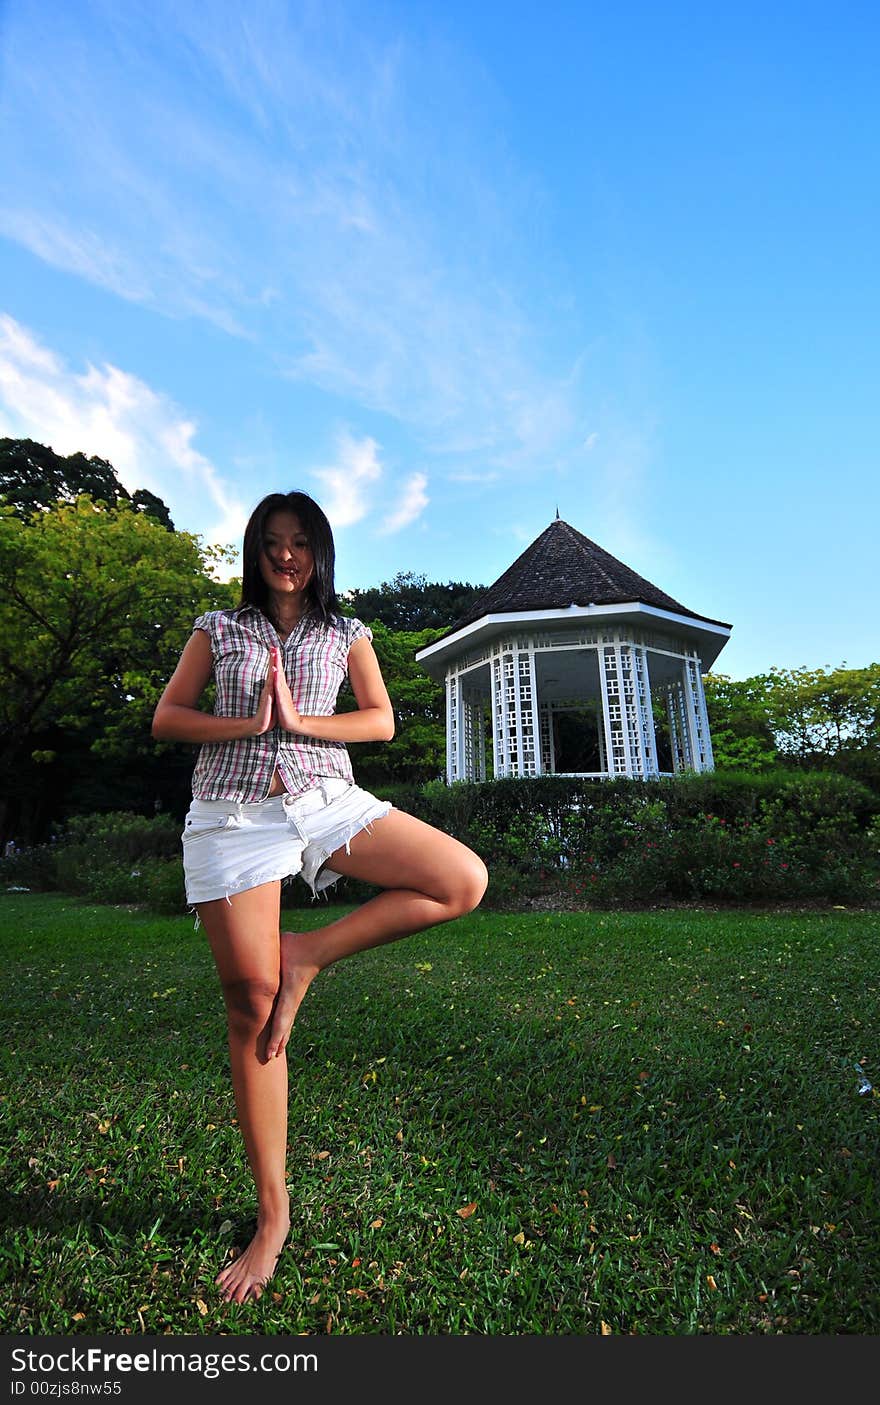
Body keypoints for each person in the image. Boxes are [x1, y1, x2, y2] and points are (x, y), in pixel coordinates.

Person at [152, 490, 488, 1305]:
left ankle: (307, 955)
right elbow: (168, 717)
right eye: (272, 542)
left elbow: (379, 722)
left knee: (461, 879)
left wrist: (302, 723)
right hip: (234, 808)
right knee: (251, 1003)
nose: (286, 556)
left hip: (326, 797)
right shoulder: (218, 627)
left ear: (321, 549)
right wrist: (253, 724)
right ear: (254, 550)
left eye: (300, 542)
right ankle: (273, 1214)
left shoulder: (349, 632)